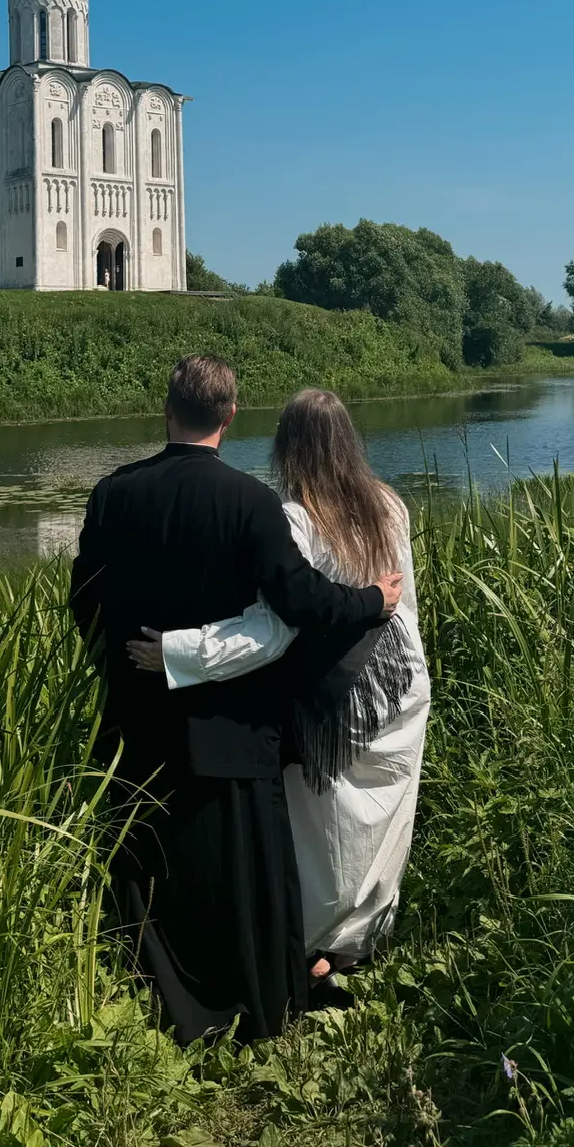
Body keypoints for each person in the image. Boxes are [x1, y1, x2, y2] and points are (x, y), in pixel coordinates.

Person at [69, 355, 402, 1047]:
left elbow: (84, 597)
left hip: (138, 715)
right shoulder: (251, 502)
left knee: (149, 859)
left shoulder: (111, 494)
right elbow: (298, 602)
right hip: (232, 726)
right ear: (229, 417)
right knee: (240, 868)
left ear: (166, 410)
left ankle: (150, 997)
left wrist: (122, 660)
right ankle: (254, 1002)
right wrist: (374, 601)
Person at [128, 389, 430, 997]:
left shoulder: (297, 517)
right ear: (350, 439)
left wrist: (177, 652)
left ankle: (306, 947)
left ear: (287, 445)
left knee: (320, 833)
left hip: (335, 702)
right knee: (381, 823)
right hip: (401, 684)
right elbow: (404, 602)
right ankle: (359, 944)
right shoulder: (389, 504)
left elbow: (271, 632)